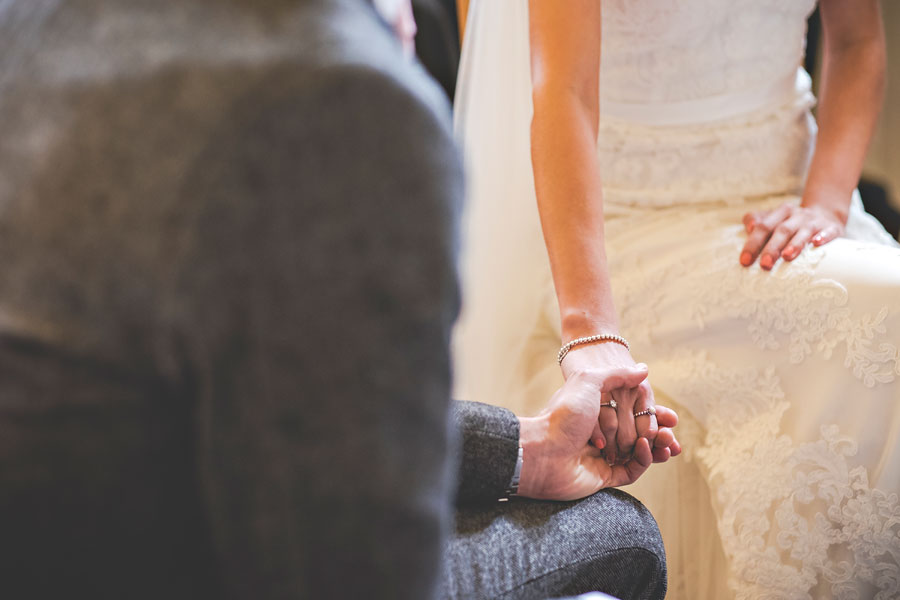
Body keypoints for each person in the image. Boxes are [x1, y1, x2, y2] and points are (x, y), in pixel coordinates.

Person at [0, 0, 678, 598]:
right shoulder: (342, 93)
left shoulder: (34, 20)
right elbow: (356, 573)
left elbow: (275, 393)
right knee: (623, 538)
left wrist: (524, 451)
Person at [453, 0, 900, 598]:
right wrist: (593, 331)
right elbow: (565, 95)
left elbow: (858, 44)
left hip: (790, 204)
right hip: (627, 221)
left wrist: (825, 203)